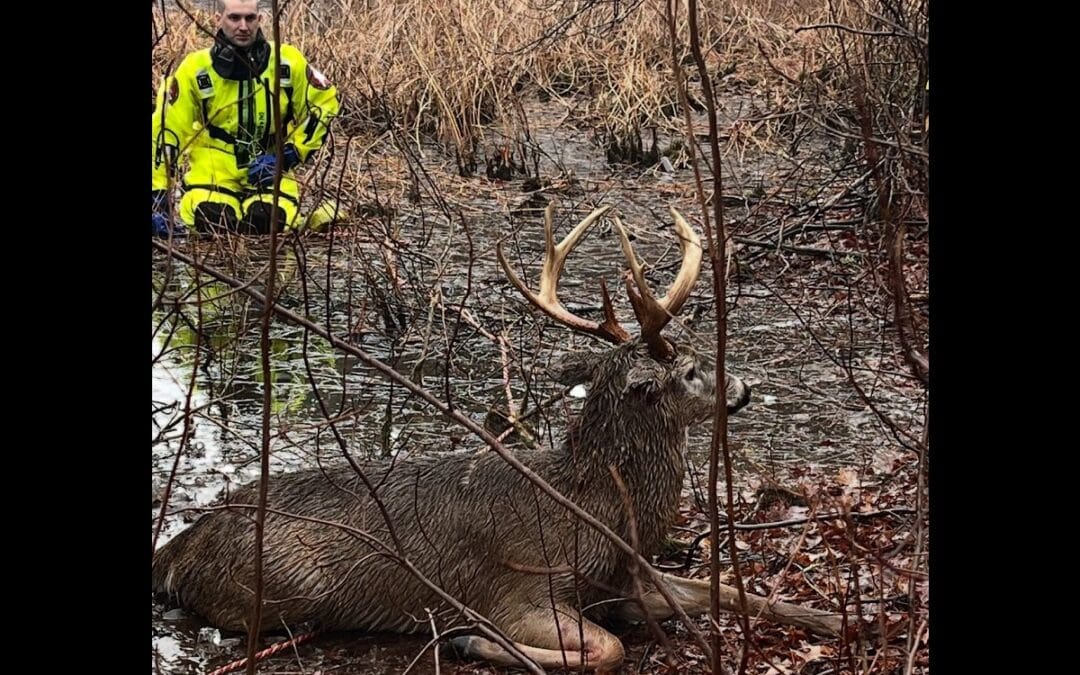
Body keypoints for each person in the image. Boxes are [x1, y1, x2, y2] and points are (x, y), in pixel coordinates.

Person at [152, 0, 340, 236]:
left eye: (250, 18)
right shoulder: (195, 68)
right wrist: (157, 197)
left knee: (265, 223)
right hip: (212, 172)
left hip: (270, 169)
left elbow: (324, 103)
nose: (243, 26)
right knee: (215, 223)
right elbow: (167, 129)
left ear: (260, 20)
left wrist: (288, 154)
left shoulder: (287, 61)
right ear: (217, 20)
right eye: (234, 18)